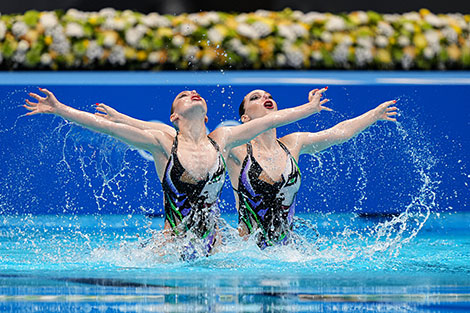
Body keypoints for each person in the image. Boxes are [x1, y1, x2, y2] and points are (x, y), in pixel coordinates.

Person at [23, 87, 329, 257]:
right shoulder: (162, 143)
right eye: (184, 95)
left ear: (207, 114)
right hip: (168, 253)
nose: (192, 92)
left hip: (217, 253)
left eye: (195, 92)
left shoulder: (222, 140)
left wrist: (308, 108)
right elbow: (109, 128)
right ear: (174, 115)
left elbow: (263, 123)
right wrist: (61, 109)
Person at [227, 89, 398, 248]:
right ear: (245, 118)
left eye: (269, 96)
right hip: (248, 255)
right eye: (255, 98)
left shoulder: (293, 143)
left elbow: (339, 133)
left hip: (287, 255)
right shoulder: (235, 149)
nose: (265, 98)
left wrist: (375, 114)